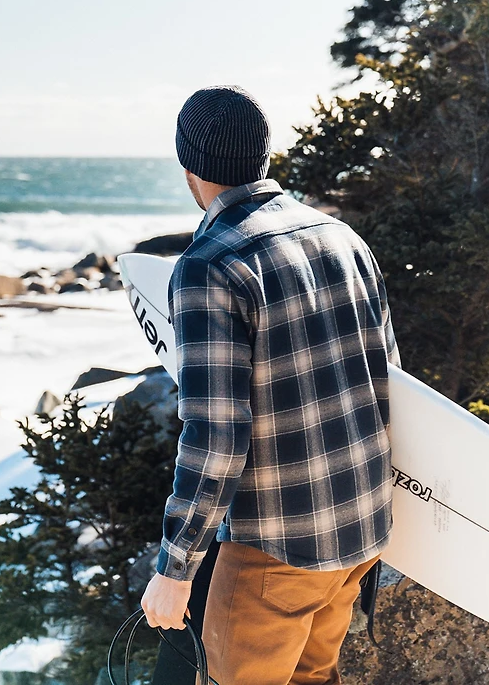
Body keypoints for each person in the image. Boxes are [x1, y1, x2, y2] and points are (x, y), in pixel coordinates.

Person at [141, 86, 400, 685]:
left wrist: (174, 569)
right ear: (264, 153)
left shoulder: (210, 266)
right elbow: (385, 381)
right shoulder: (342, 238)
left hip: (276, 550)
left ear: (188, 165)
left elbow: (216, 436)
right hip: (361, 532)